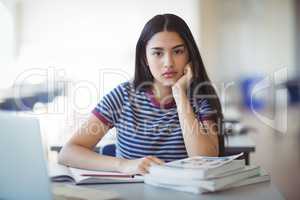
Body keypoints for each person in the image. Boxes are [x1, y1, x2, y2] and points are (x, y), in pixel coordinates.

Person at [58, 14, 224, 175]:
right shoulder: (123, 96)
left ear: (189, 54)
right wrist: (123, 165)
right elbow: (68, 152)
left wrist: (179, 94)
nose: (168, 63)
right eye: (158, 53)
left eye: (178, 51)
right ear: (145, 58)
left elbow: (204, 160)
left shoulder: (200, 98)